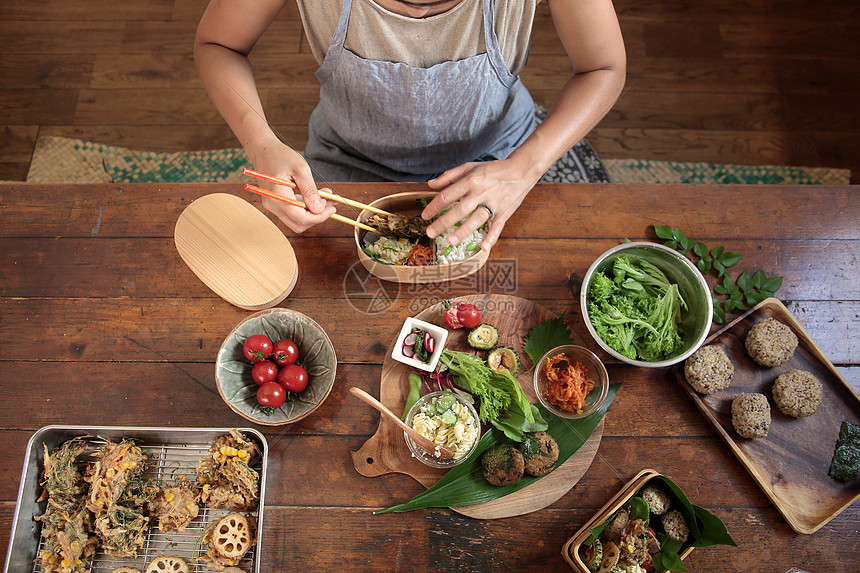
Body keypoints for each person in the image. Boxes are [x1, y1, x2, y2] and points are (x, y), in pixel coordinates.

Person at [194, 0, 625, 251]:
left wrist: (522, 170)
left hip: (500, 159)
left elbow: (603, 67)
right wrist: (261, 143)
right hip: (348, 163)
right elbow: (218, 43)